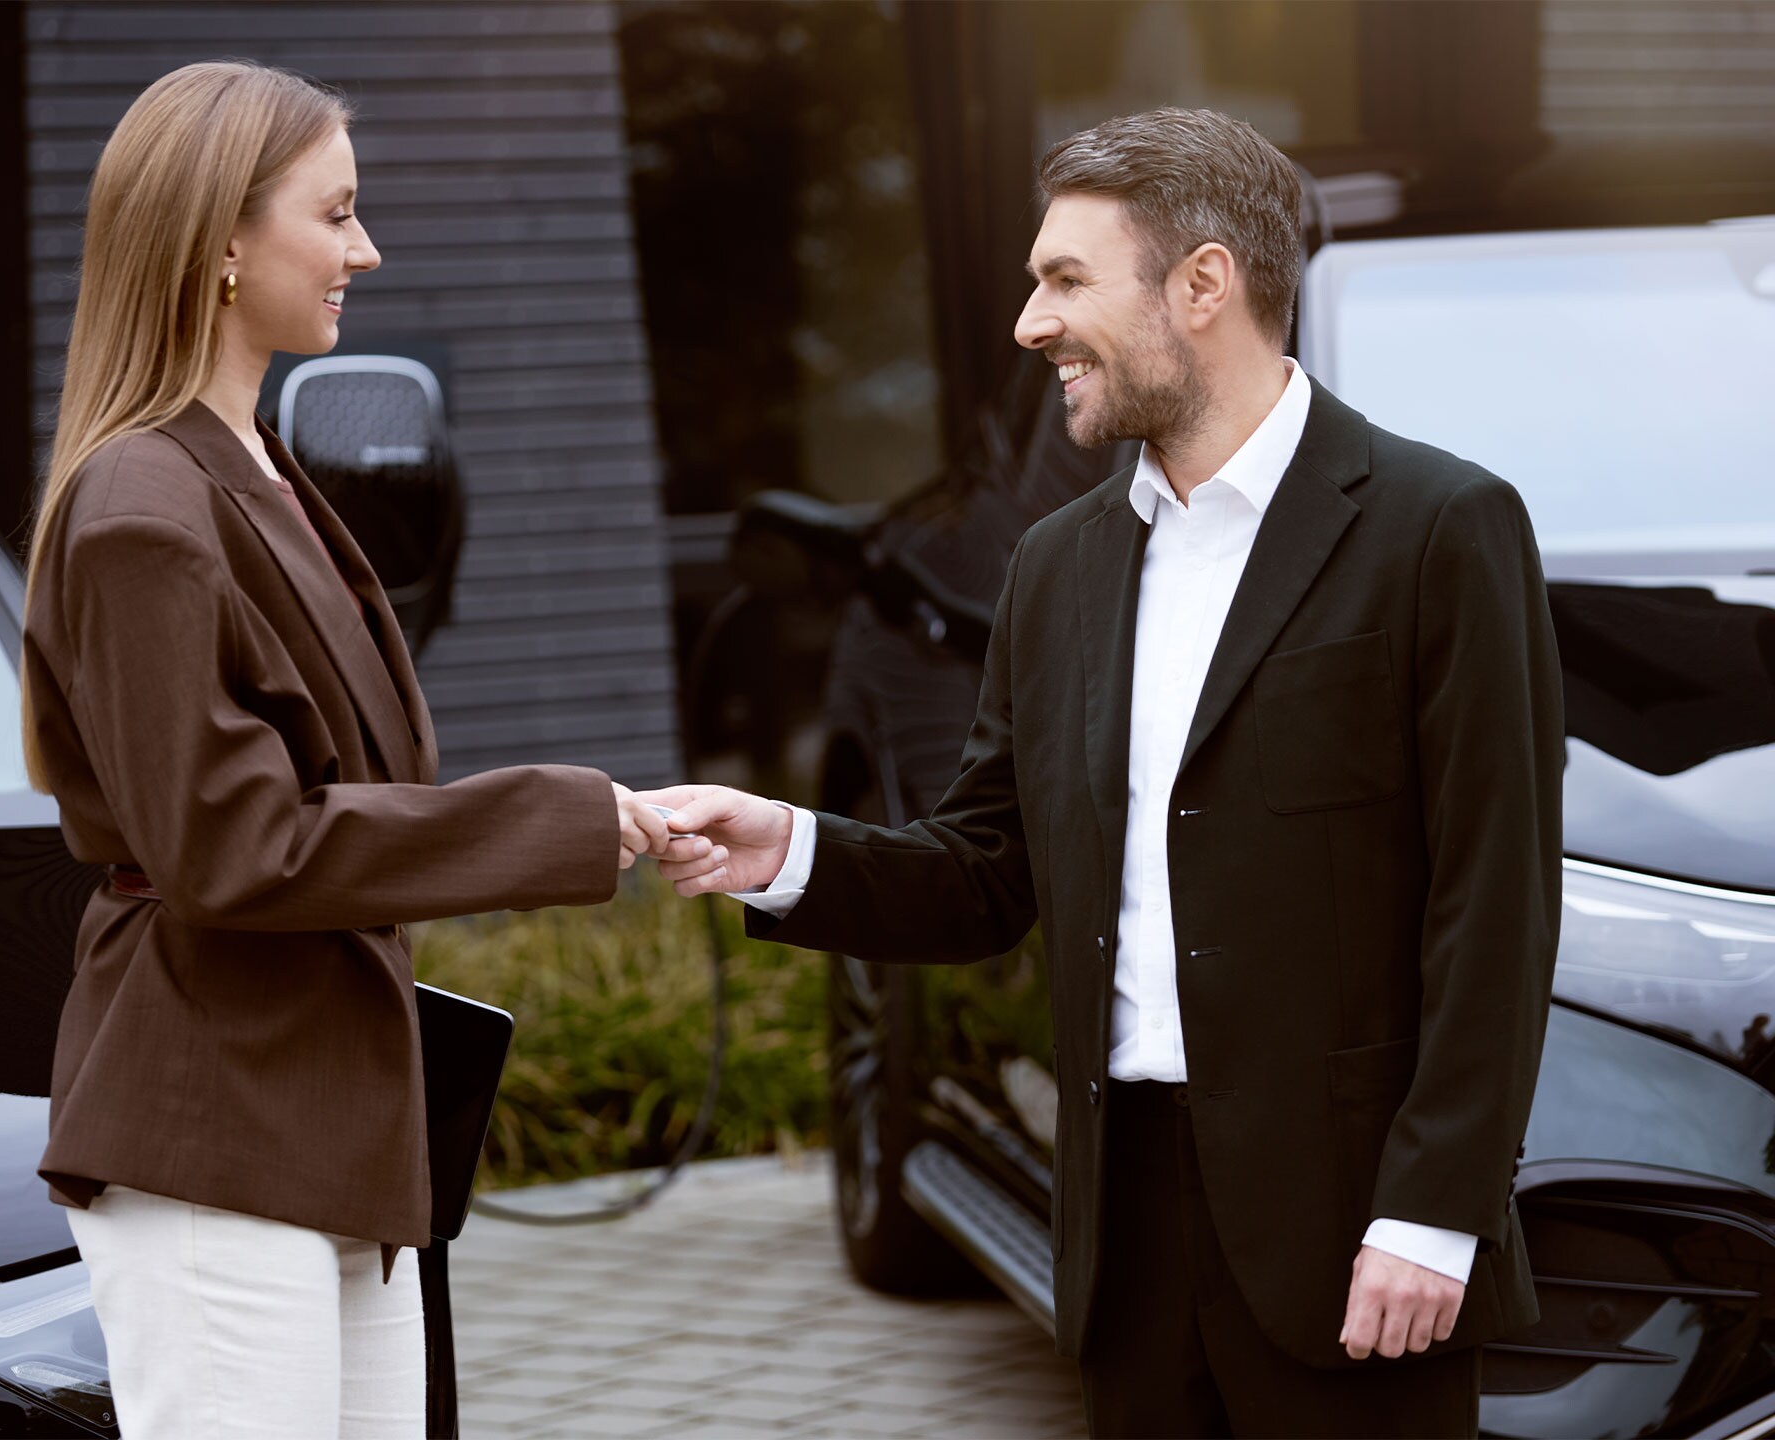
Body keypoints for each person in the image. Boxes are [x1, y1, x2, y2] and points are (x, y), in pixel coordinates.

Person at [647, 107, 1563, 1438]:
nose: (1032, 324)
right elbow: (986, 871)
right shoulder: (1056, 567)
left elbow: (1496, 900)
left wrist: (1435, 1211)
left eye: (1066, 279)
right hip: (1121, 1241)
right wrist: (787, 849)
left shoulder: (1441, 530)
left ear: (1203, 284)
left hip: (1355, 1240)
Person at [19, 61, 669, 1439]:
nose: (365, 251)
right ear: (221, 240)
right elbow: (232, 847)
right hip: (216, 1124)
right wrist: (558, 822)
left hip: (325, 1124)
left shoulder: (254, 468)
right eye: (336, 213)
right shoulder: (142, 505)